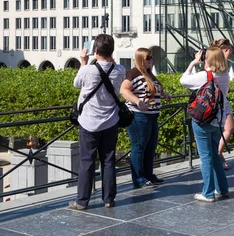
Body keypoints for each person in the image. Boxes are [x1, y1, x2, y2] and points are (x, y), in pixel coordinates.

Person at [69, 34, 126, 210]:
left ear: (95, 50)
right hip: (111, 121)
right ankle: (109, 199)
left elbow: (76, 84)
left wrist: (84, 61)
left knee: (87, 161)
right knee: (108, 161)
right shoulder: (120, 70)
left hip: (89, 122)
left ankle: (82, 201)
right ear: (112, 50)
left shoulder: (87, 70)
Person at [180, 47, 230, 202]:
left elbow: (183, 80)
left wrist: (194, 62)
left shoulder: (204, 75)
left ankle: (207, 192)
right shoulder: (225, 75)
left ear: (208, 59)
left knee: (205, 157)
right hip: (218, 120)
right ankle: (222, 189)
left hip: (202, 119)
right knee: (215, 155)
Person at [120, 48, 171, 189]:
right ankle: (138, 178)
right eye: (148, 57)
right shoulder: (133, 73)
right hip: (138, 116)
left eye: (151, 57)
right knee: (139, 147)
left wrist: (164, 94)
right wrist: (137, 101)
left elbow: (152, 90)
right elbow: (124, 90)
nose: (151, 60)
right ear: (141, 58)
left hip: (153, 115)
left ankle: (149, 175)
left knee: (151, 147)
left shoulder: (149, 74)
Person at [210, 38, 234, 169]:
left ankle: (218, 154)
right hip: (214, 103)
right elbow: (217, 74)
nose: (227, 51)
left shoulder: (223, 62)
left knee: (230, 128)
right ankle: (218, 155)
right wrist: (224, 59)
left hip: (224, 100)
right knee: (218, 130)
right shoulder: (212, 60)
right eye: (225, 49)